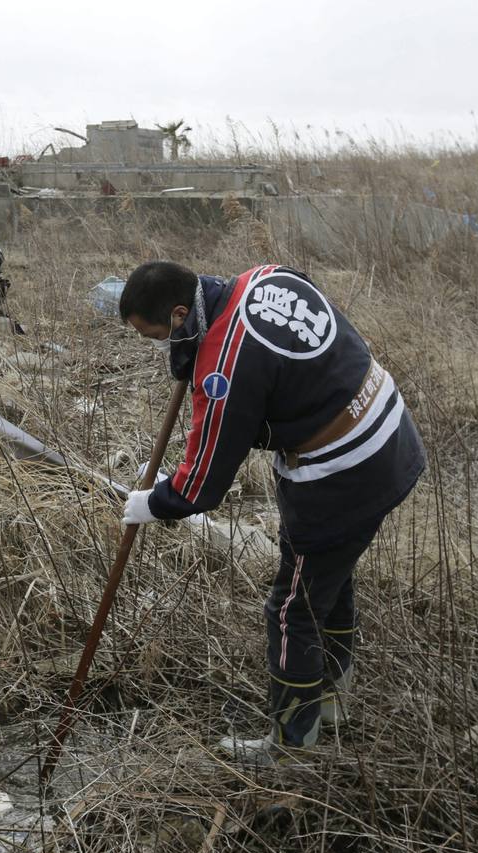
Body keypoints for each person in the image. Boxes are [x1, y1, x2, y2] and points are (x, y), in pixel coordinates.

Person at [118, 261, 425, 762]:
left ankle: (291, 745)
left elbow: (201, 483)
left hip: (345, 471)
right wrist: (186, 352)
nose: (155, 344)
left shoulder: (224, 364)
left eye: (155, 335)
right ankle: (331, 704)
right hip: (389, 432)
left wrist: (153, 503)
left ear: (179, 315)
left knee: (292, 610)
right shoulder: (264, 278)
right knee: (331, 576)